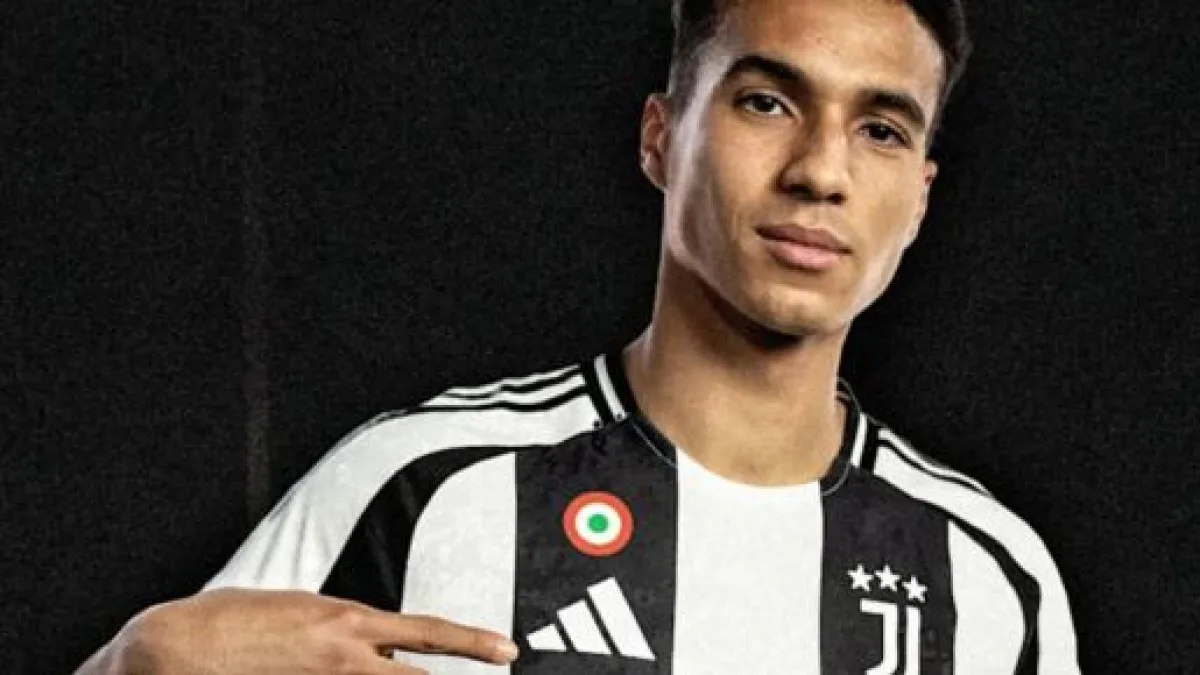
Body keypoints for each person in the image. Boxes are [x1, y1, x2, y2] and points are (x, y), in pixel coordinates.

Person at [77, 0, 1081, 672]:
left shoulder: (994, 575)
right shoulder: (425, 483)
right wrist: (131, 665)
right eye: (766, 102)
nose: (821, 171)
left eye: (881, 129)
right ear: (660, 137)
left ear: (920, 198)